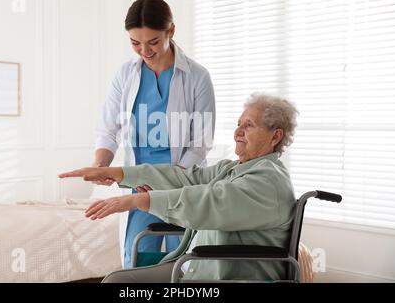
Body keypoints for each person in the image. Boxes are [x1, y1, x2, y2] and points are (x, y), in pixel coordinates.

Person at [59, 93, 298, 282]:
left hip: (226, 276)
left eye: (249, 125)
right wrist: (117, 173)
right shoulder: (236, 168)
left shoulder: (267, 182)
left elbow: (207, 202)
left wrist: (138, 201)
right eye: (238, 124)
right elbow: (186, 179)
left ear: (275, 136)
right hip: (197, 267)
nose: (238, 131)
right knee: (118, 279)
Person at [92, 0, 216, 268]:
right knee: (135, 262)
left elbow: (200, 143)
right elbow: (108, 130)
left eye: (153, 42)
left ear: (170, 31)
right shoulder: (125, 75)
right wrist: (101, 164)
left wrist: (167, 181)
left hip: (181, 187)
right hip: (139, 185)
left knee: (181, 264)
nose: (144, 51)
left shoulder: (197, 77)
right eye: (135, 43)